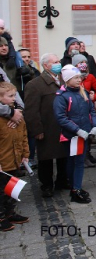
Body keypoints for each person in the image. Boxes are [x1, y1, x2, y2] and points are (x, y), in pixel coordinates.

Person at [23, 53, 69, 198]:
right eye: (55, 62)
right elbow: (31, 110)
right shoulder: (35, 85)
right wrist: (36, 129)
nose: (58, 63)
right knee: (46, 158)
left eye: (58, 61)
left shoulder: (64, 80)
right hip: (47, 127)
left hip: (62, 126)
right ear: (46, 65)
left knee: (63, 155)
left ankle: (62, 180)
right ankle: (46, 185)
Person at [53, 66, 96, 204]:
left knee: (78, 161)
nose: (79, 80)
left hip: (84, 133)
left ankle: (76, 187)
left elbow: (92, 110)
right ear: (67, 80)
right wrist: (77, 130)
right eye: (76, 78)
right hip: (72, 136)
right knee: (76, 162)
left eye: (80, 77)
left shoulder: (82, 92)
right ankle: (75, 189)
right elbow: (61, 117)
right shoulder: (62, 97)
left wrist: (95, 125)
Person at [0, 81, 30, 230]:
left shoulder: (17, 115)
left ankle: (10, 212)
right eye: (10, 96)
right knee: (1, 189)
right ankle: (1, 217)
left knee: (12, 188)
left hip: (15, 158)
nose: (13, 98)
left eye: (14, 95)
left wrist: (25, 154)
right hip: (3, 160)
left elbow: (23, 135)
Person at [72, 54, 96, 167]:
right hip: (76, 109)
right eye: (80, 62)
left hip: (89, 108)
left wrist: (94, 97)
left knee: (89, 132)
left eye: (84, 62)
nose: (83, 64)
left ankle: (87, 155)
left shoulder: (90, 77)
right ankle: (79, 157)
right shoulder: (72, 77)